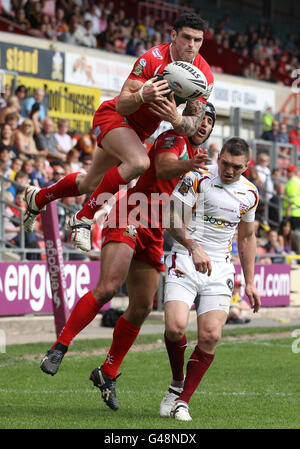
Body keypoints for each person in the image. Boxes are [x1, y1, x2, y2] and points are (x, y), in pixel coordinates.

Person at [39, 103, 216, 413]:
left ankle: (106, 372)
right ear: (189, 118)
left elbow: (172, 208)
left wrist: (190, 241)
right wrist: (189, 166)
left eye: (209, 122)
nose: (204, 125)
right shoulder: (175, 139)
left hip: (156, 226)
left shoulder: (197, 164)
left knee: (143, 306)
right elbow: (162, 168)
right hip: (132, 212)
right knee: (109, 287)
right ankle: (59, 347)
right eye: (200, 118)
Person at [23, 12, 214, 252]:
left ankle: (38, 198)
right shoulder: (152, 59)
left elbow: (193, 124)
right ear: (173, 35)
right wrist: (142, 95)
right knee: (138, 162)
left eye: (198, 40)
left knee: (89, 184)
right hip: (115, 117)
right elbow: (123, 103)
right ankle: (83, 219)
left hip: (138, 132)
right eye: (186, 38)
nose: (192, 45)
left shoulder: (204, 75)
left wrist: (176, 117)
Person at [160, 137, 260, 421]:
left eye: (236, 167)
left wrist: (250, 282)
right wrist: (193, 246)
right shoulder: (197, 178)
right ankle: (176, 381)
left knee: (211, 335)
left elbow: (247, 236)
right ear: (219, 158)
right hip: (186, 255)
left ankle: (183, 400)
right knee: (175, 327)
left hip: (220, 267)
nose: (229, 171)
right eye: (225, 163)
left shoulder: (250, 194)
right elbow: (171, 219)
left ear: (246, 166)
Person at [282, 165, 300, 231]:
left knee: (291, 234)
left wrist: (288, 210)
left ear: (294, 172)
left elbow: (292, 198)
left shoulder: (292, 182)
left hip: (293, 213)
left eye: (289, 171)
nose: (287, 173)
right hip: (297, 212)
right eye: (287, 171)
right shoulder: (298, 181)